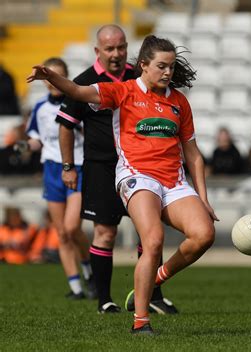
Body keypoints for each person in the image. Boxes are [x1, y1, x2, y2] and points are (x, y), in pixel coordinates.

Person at [28, 35, 218, 334]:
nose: (168, 73)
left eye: (170, 67)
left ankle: (156, 278)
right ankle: (141, 322)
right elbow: (78, 91)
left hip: (174, 180)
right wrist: (52, 76)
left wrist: (203, 198)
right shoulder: (123, 91)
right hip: (137, 175)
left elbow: (193, 154)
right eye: (161, 66)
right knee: (153, 239)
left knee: (204, 234)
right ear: (143, 65)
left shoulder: (179, 101)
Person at [55, 25, 177, 314]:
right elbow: (66, 126)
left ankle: (152, 296)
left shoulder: (140, 75)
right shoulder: (85, 81)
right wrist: (68, 166)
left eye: (121, 47)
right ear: (98, 51)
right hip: (101, 166)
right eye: (109, 49)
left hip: (142, 166)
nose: (117, 54)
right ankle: (105, 300)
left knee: (149, 233)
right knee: (105, 233)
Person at [21, 57, 95, 299]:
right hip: (52, 170)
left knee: (73, 227)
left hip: (77, 167)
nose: (52, 81)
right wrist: (22, 147)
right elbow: (37, 139)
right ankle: (75, 287)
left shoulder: (77, 102)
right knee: (61, 232)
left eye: (57, 75)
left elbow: (88, 132)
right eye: (48, 76)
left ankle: (89, 272)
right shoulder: (40, 108)